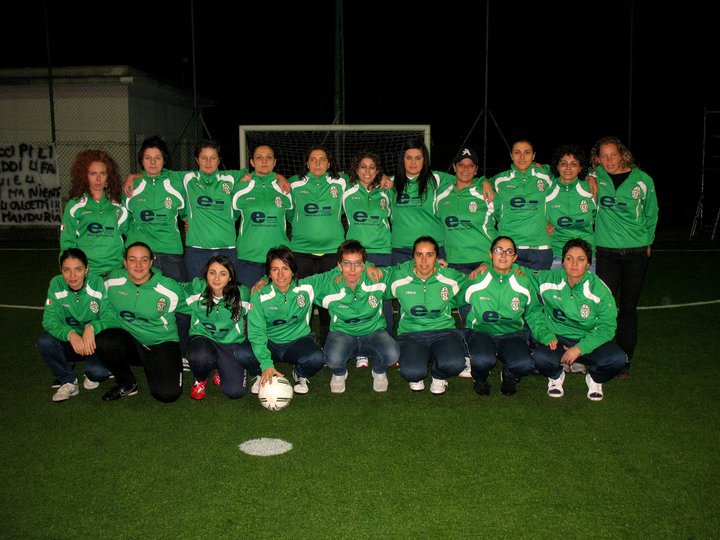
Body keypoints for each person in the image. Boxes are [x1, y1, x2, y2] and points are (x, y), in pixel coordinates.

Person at [590, 136, 658, 378]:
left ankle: (625, 360)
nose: (609, 160)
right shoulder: (596, 177)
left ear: (622, 154)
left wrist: (648, 241)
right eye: (603, 156)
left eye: (613, 155)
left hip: (635, 254)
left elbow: (652, 213)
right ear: (597, 159)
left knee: (628, 308)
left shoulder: (643, 180)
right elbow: (564, 171)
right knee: (604, 307)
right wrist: (590, 175)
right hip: (606, 254)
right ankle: (602, 354)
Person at [530, 238, 627, 400]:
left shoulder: (600, 290)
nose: (574, 264)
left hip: (588, 339)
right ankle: (555, 376)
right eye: (569, 258)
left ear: (588, 264)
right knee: (539, 357)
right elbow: (521, 271)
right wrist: (488, 265)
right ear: (562, 262)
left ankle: (595, 378)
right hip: (558, 339)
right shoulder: (549, 279)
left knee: (618, 359)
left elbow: (607, 328)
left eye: (580, 259)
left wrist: (579, 348)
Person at [95, 242, 187, 402]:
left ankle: (158, 365)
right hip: (131, 344)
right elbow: (91, 293)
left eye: (144, 260)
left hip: (161, 342)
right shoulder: (112, 281)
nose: (138, 265)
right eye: (132, 260)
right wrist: (91, 327)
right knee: (104, 340)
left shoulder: (168, 288)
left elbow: (193, 303)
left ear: (151, 263)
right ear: (125, 262)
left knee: (167, 394)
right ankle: (127, 382)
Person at [380, 236, 467, 394]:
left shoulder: (449, 276)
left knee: (455, 364)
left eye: (430, 255)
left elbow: (476, 282)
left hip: (443, 331)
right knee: (412, 373)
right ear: (413, 256)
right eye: (419, 254)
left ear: (437, 257)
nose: (424, 261)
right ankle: (420, 362)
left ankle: (438, 375)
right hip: (411, 333)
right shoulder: (399, 277)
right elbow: (370, 277)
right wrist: (369, 267)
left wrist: (487, 265)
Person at [312, 240, 398, 393]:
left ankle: (378, 371)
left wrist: (436, 264)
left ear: (363, 265)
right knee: (332, 359)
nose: (352, 269)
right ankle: (339, 373)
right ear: (339, 266)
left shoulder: (376, 277)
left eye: (358, 263)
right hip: (342, 333)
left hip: (373, 332)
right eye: (347, 263)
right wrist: (268, 280)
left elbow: (404, 271)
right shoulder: (328, 284)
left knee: (393, 353)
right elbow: (295, 284)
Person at [287, 146, 349, 344]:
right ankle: (301, 345)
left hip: (332, 253)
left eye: (322, 159)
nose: (317, 163)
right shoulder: (293, 183)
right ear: (307, 163)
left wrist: (384, 178)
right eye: (313, 159)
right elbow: (288, 212)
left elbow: (367, 177)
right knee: (301, 302)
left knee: (328, 304)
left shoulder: (341, 182)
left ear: (329, 163)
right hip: (301, 253)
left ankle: (327, 345)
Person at [243, 246, 325, 394]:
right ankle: (261, 372)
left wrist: (368, 266)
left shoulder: (307, 287)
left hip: (297, 341)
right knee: (242, 354)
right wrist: (266, 364)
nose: (280, 275)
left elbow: (336, 273)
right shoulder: (259, 294)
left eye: (285, 269)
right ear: (269, 273)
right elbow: (256, 332)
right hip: (270, 342)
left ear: (293, 271)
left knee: (317, 358)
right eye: (275, 269)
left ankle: (300, 373)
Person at [459, 236, 535, 396]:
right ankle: (480, 378)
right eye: (498, 250)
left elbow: (534, 312)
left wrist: (546, 336)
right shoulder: (477, 278)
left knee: (524, 364)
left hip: (512, 334)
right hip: (481, 332)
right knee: (482, 360)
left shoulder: (523, 281)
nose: (503, 255)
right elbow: (453, 298)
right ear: (490, 254)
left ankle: (509, 376)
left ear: (515, 257)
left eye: (509, 252)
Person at [37, 248, 113, 401]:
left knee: (98, 373)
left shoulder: (98, 283)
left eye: (78, 269)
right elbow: (49, 320)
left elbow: (111, 317)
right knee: (44, 341)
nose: (72, 276)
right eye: (67, 270)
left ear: (86, 269)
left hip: (92, 342)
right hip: (71, 342)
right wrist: (70, 334)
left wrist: (92, 327)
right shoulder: (56, 283)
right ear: (61, 270)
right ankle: (68, 381)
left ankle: (92, 370)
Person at [435, 147, 496, 327]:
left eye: (470, 165)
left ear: (476, 170)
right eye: (461, 164)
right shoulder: (441, 195)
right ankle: (470, 342)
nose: (465, 169)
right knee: (465, 312)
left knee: (486, 310)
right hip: (456, 263)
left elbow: (508, 221)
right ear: (454, 167)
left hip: (483, 261)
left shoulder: (486, 193)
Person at [183, 255, 254, 400]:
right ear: (206, 274)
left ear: (230, 277)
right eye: (212, 272)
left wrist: (264, 280)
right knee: (200, 355)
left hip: (230, 342)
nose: (216, 278)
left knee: (236, 392)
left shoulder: (243, 293)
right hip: (203, 337)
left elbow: (261, 298)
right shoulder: (196, 288)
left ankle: (221, 368)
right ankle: (200, 379)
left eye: (223, 273)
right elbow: (174, 288)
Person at [342, 150, 394, 336]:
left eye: (372, 167)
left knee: (383, 299)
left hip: (383, 252)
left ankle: (388, 337)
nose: (367, 171)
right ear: (356, 169)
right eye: (363, 167)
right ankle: (359, 340)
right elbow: (327, 175)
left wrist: (386, 178)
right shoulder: (346, 190)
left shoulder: (387, 191)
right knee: (358, 298)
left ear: (378, 170)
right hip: (357, 254)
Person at [123, 135, 187, 282]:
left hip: (170, 253)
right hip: (140, 257)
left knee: (177, 294)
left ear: (164, 159)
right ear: (141, 160)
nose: (153, 162)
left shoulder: (177, 182)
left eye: (157, 158)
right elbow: (124, 223)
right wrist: (137, 237)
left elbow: (186, 214)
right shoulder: (131, 187)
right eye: (148, 158)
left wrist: (188, 221)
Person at [232, 144, 293, 288]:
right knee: (246, 300)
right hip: (248, 259)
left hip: (279, 261)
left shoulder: (285, 189)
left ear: (274, 162)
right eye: (259, 157)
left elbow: (295, 219)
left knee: (277, 301)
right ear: (252, 162)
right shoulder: (240, 189)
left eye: (269, 157)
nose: (264, 161)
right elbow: (228, 218)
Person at [487, 139, 554, 270]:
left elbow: (568, 174)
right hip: (509, 248)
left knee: (538, 284)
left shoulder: (546, 176)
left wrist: (589, 178)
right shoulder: (500, 180)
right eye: (517, 152)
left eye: (527, 152)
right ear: (511, 155)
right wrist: (483, 181)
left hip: (540, 248)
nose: (522, 157)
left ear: (533, 156)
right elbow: (475, 183)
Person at [60, 149, 128, 276]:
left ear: (109, 176)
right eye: (93, 173)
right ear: (84, 176)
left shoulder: (119, 204)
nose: (98, 178)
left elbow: (132, 234)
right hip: (88, 273)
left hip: (116, 270)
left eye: (102, 173)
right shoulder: (75, 205)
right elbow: (67, 242)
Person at [390, 138, 453, 264]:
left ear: (424, 159)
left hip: (431, 249)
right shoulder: (391, 183)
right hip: (401, 250)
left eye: (418, 158)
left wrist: (483, 182)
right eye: (409, 158)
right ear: (402, 159)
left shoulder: (436, 179)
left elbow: (465, 178)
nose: (413, 162)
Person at [545, 144, 597, 272]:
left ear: (580, 168)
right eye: (563, 163)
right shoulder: (548, 188)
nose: (568, 168)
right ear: (557, 166)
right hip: (558, 255)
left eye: (573, 164)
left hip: (586, 255)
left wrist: (591, 176)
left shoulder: (590, 188)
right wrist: (545, 224)